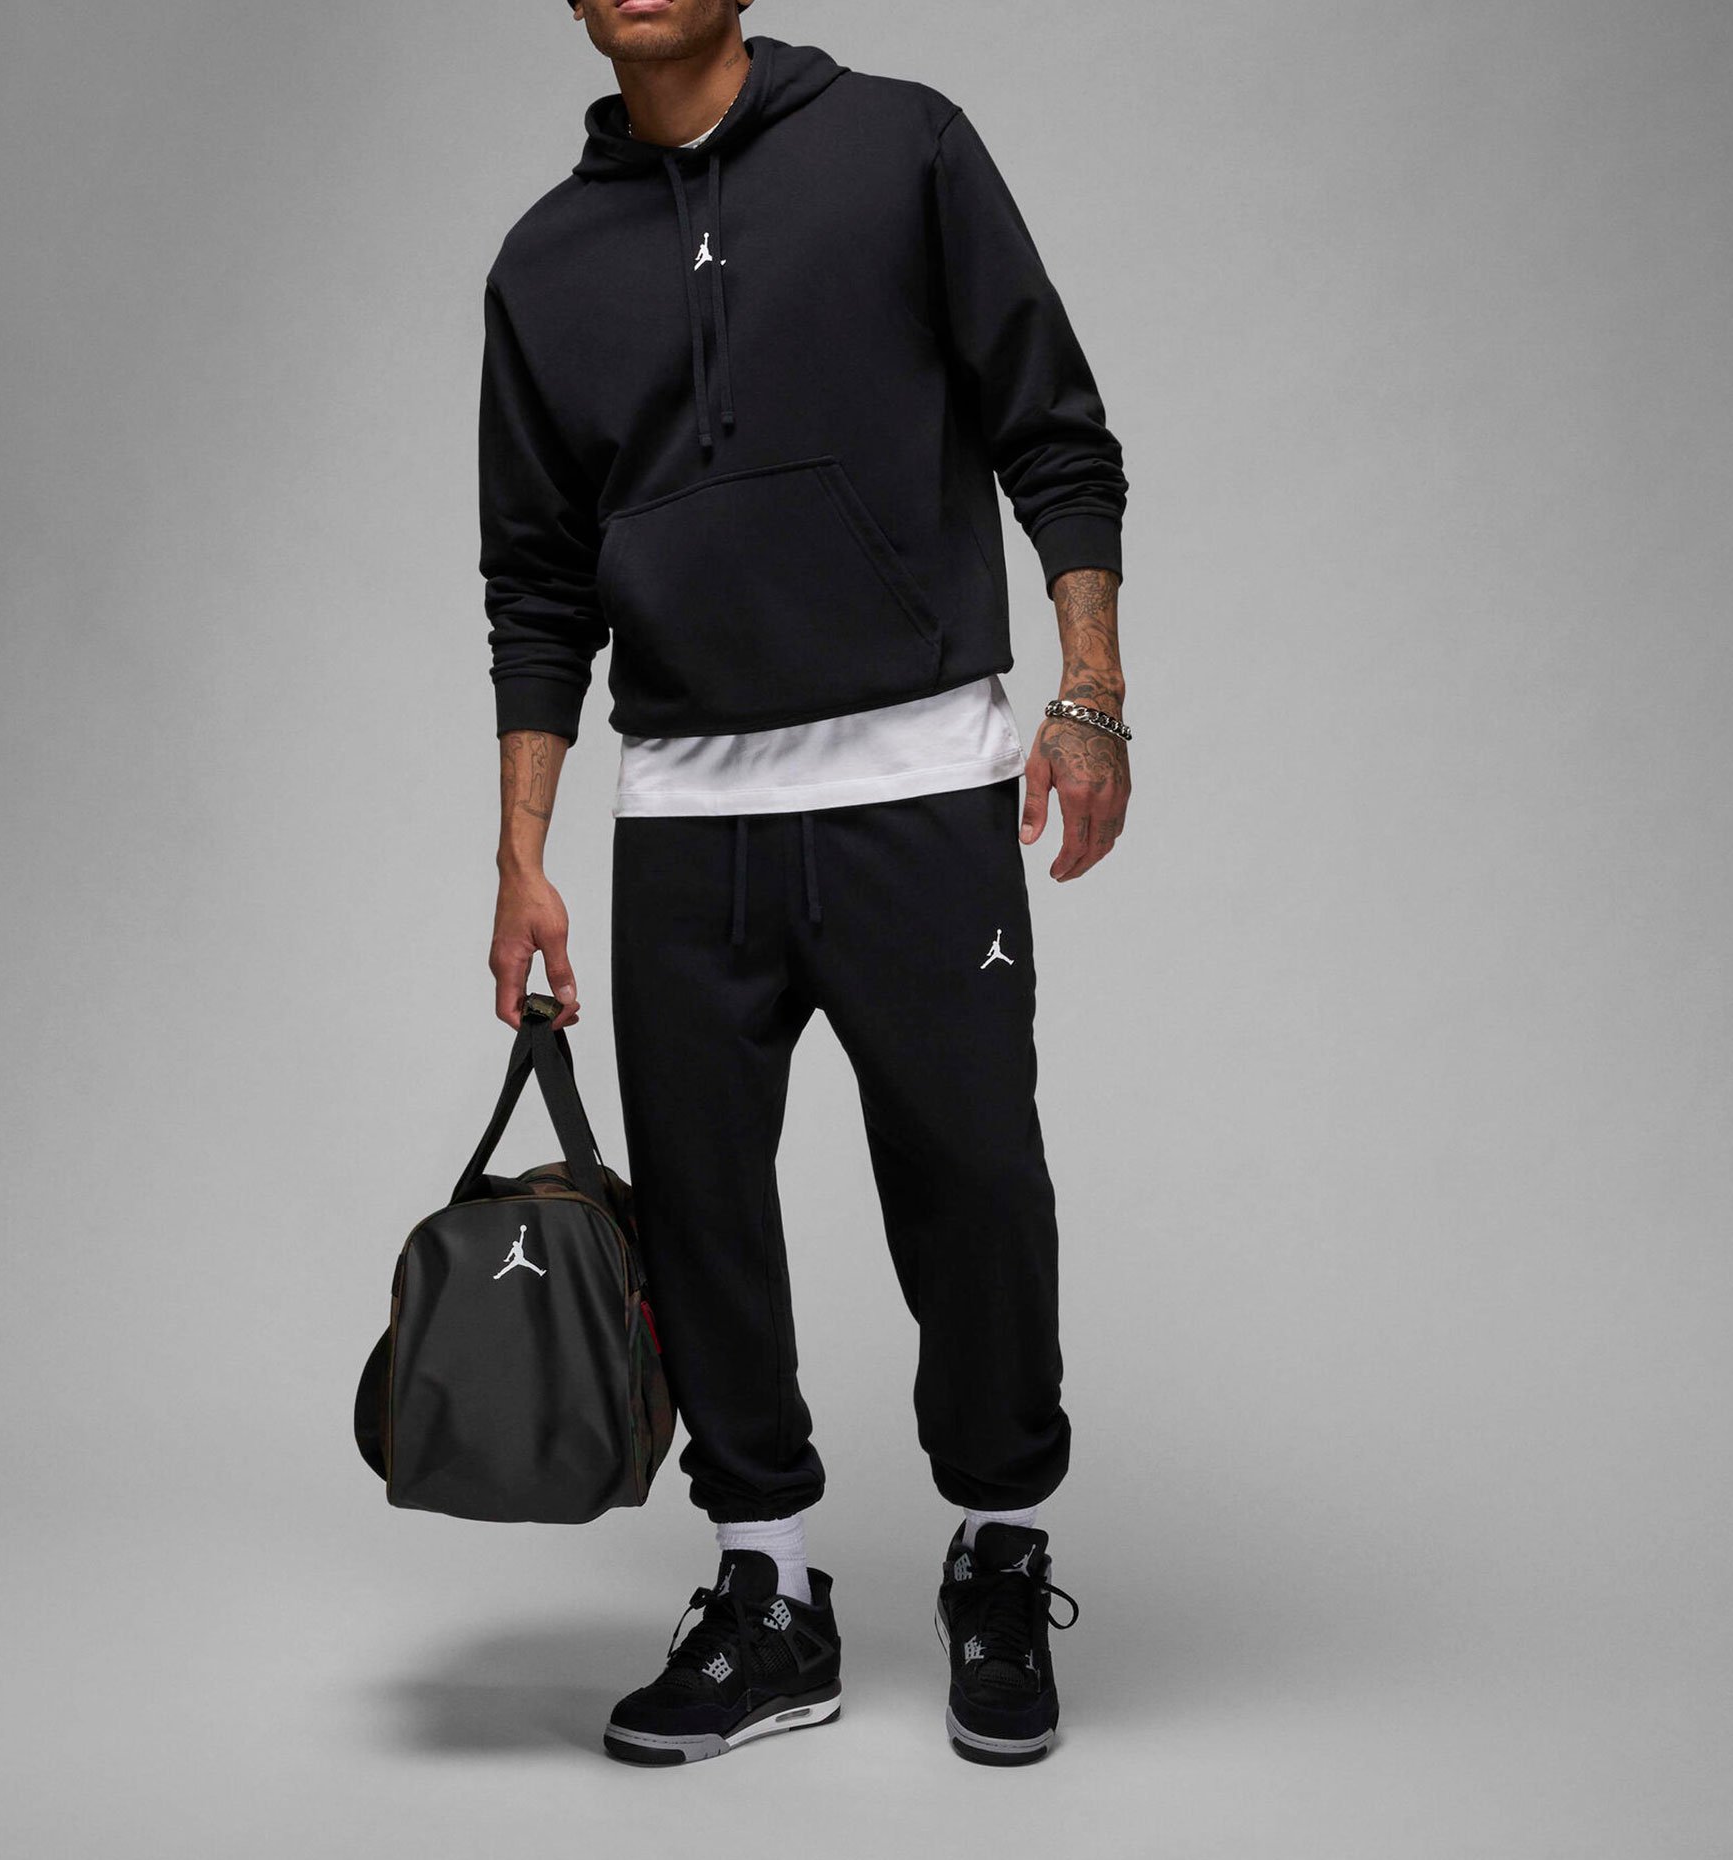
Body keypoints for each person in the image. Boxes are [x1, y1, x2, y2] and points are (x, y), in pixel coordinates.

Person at [481, 0, 1129, 1767]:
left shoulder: (902, 145)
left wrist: (1088, 693)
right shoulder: (543, 264)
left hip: (919, 786)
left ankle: (1000, 1550)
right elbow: (537, 582)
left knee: (977, 1185)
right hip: (685, 816)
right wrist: (523, 851)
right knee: (700, 1214)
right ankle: (765, 1593)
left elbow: (1054, 430)